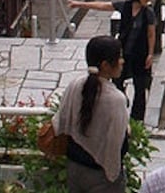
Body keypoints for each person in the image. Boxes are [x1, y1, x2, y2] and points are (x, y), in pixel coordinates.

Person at [68, 0, 157, 122]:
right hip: (123, 53)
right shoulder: (125, 6)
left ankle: (137, 120)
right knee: (117, 81)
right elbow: (103, 6)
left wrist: (150, 54)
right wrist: (79, 4)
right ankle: (121, 104)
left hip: (141, 54)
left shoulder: (148, 13)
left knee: (140, 89)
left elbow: (151, 34)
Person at [52, 35, 129, 193]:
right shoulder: (116, 99)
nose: (122, 61)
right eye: (119, 57)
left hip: (74, 167)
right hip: (102, 176)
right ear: (106, 65)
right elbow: (117, 143)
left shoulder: (75, 85)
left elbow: (61, 121)